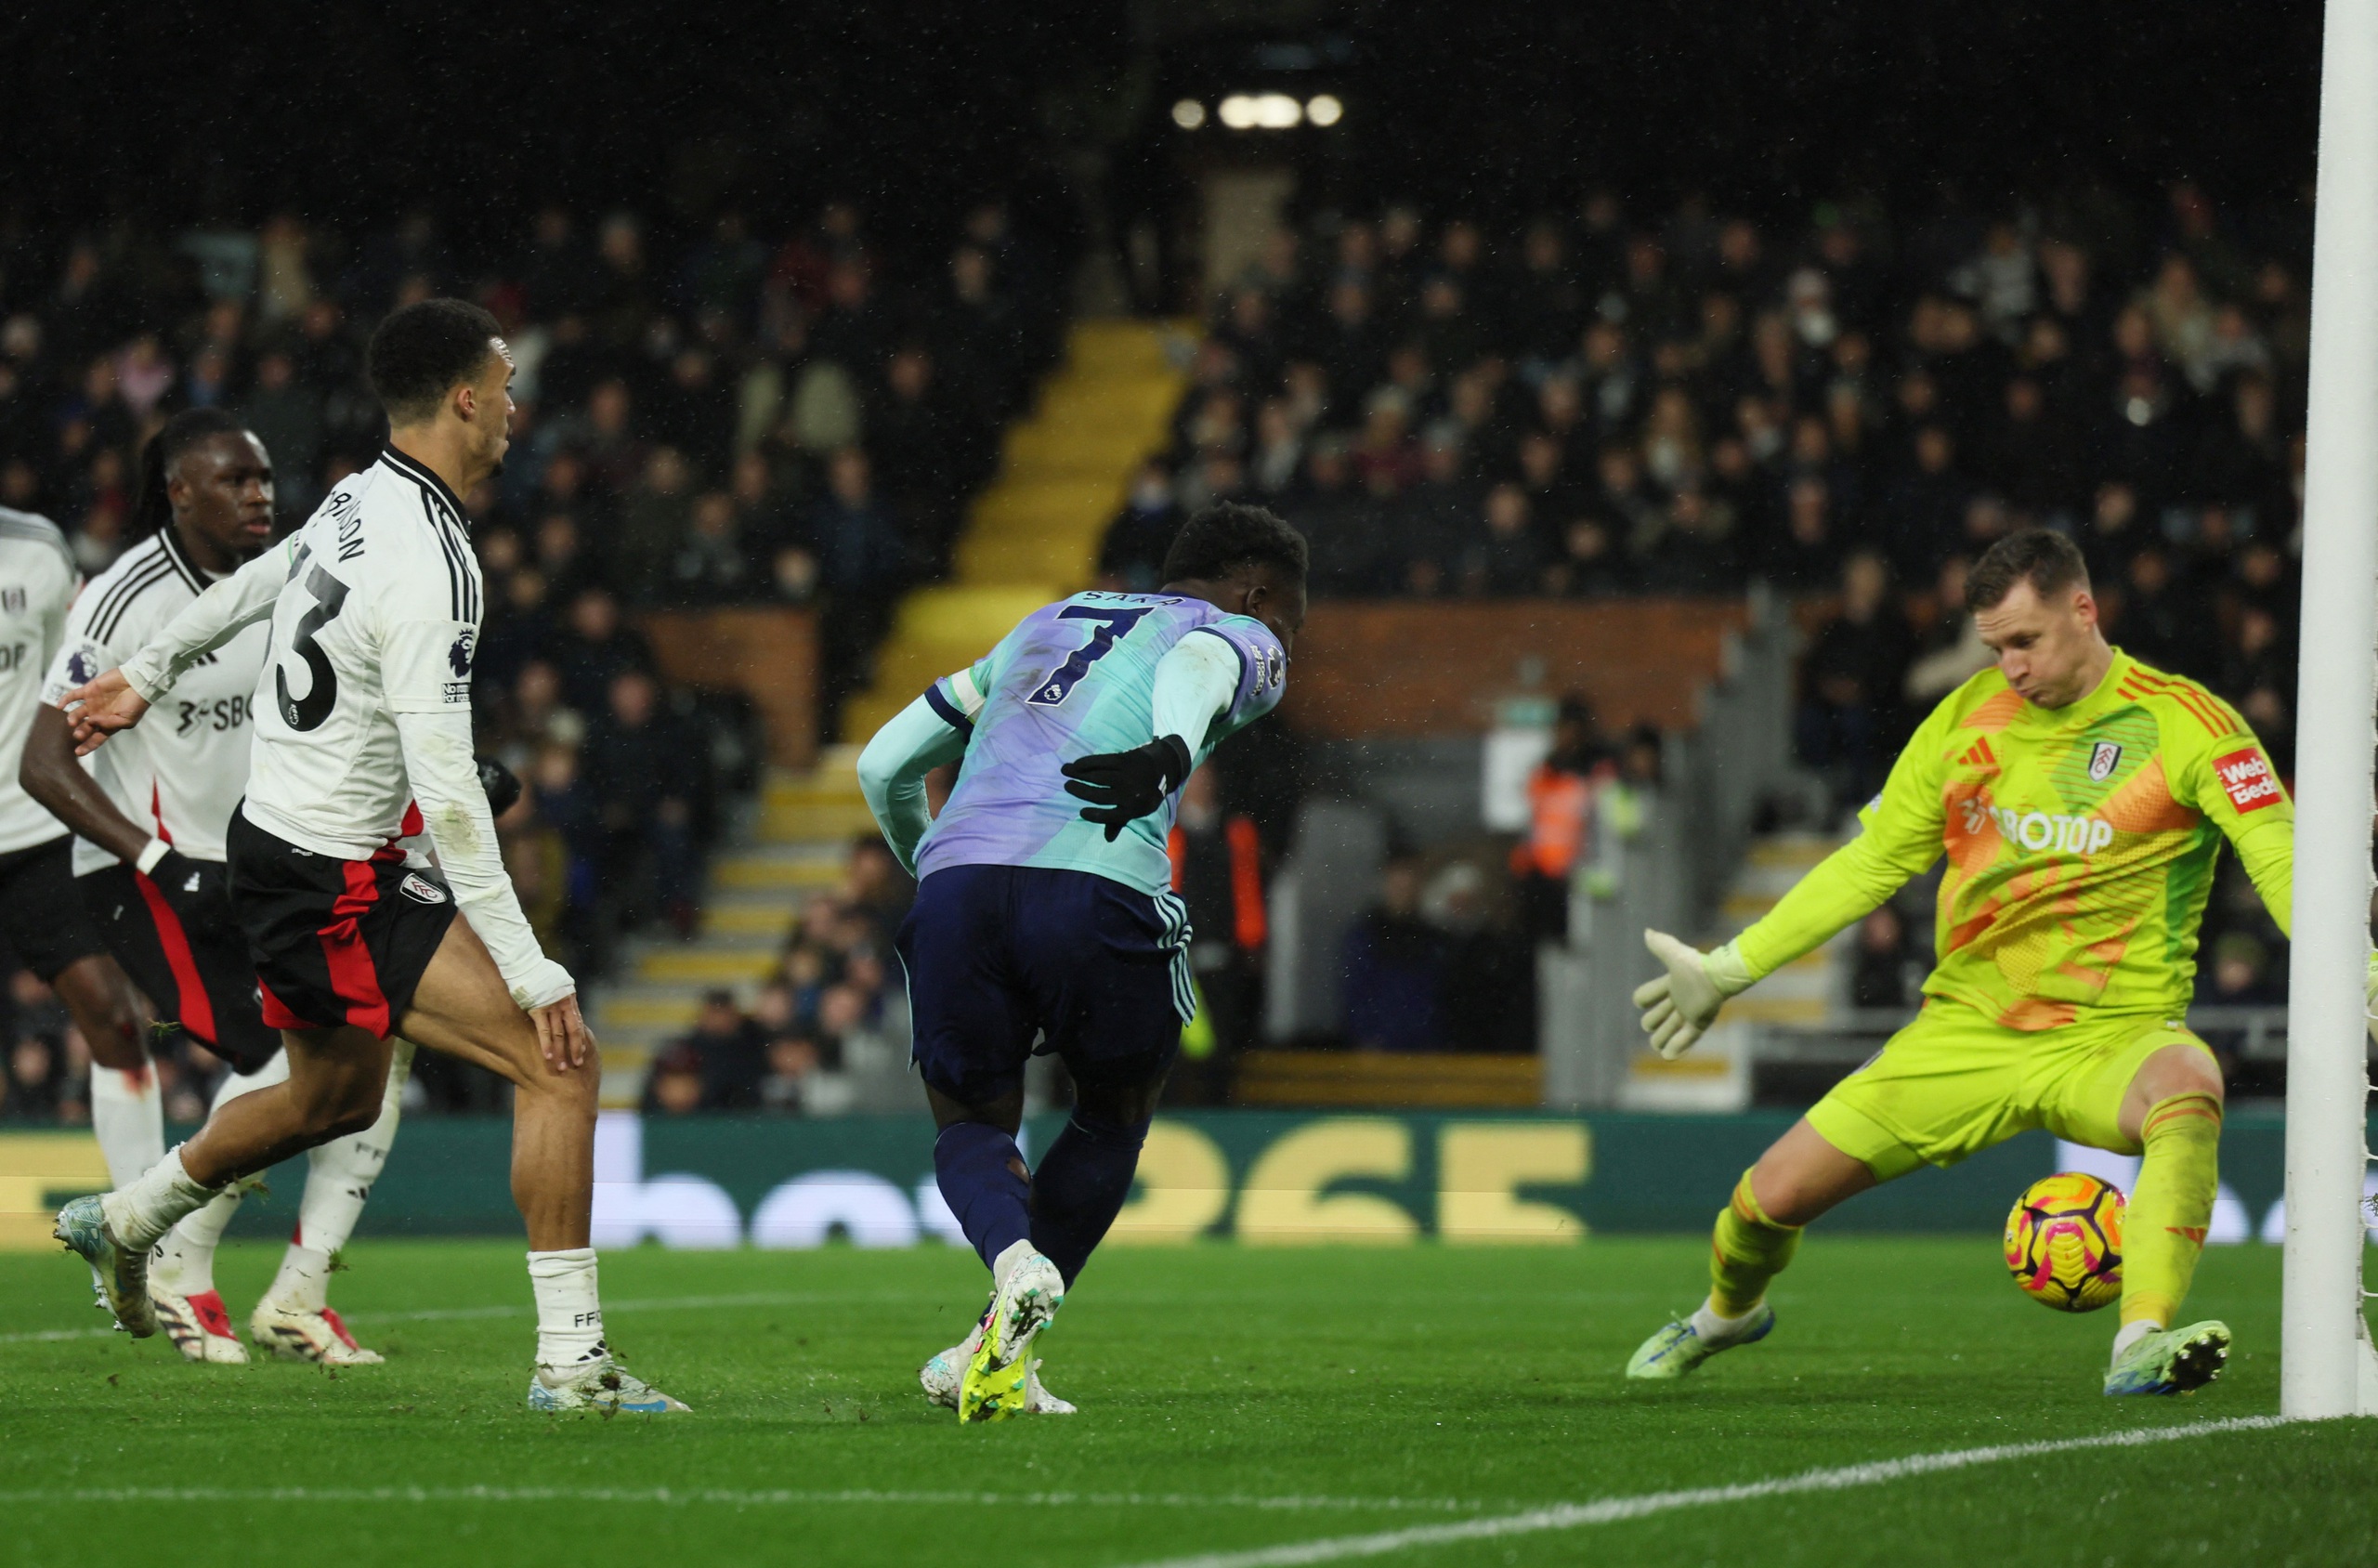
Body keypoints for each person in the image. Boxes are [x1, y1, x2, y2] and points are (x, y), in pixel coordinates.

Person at [52, 299, 683, 1414]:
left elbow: (258, 582)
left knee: (330, 1097)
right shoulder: (436, 564)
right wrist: (532, 967)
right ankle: (573, 1367)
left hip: (279, 846)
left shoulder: (359, 494)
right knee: (560, 1062)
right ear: (465, 399)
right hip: (338, 874)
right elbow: (448, 796)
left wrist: (148, 672)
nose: (515, 407)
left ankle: (129, 1213)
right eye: (504, 384)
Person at [1625, 530, 2289, 1396]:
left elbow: (2279, 855)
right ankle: (1724, 1314)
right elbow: (1869, 864)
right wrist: (1726, 971)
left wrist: (2363, 967)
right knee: (1767, 1200)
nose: (2009, 666)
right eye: (1994, 647)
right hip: (1964, 1032)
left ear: (2084, 611)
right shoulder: (1966, 719)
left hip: (2108, 1038)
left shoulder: (2189, 725)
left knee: (2188, 1085)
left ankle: (2139, 1343)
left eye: (2025, 641)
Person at [857, 501, 1303, 1420]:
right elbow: (1201, 661)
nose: (1287, 631)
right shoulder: (1238, 629)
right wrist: (1172, 748)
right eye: (1290, 611)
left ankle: (1007, 1284)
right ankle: (1009, 1334)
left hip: (957, 887)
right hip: (1095, 889)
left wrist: (938, 863)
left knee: (972, 1119)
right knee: (1109, 1114)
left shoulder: (1044, 622)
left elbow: (883, 763)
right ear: (1257, 589)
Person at [23, 409, 440, 1366]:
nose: (260, 494)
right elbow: (45, 764)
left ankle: (299, 1290)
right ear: (178, 489)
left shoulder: (302, 575)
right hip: (148, 875)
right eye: (235, 480)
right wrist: (159, 859)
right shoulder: (123, 595)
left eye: (263, 479)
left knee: (386, 1039)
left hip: (271, 864)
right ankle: (171, 1254)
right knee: (304, 1063)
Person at [0, 503, 139, 1169]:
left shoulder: (41, 548)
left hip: (33, 827)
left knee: (113, 1018)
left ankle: (145, 1235)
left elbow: (76, 680)